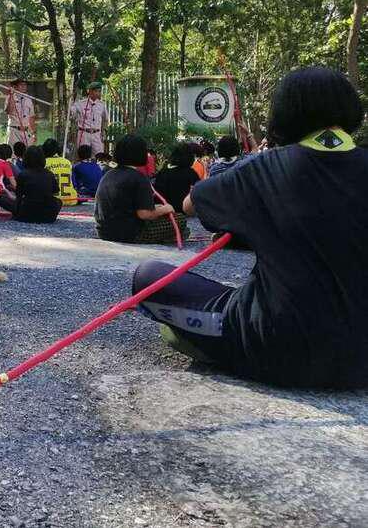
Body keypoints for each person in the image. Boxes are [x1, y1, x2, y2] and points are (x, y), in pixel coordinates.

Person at [133, 67, 368, 389]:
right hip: (362, 361)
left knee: (148, 276)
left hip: (278, 346)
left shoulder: (266, 167)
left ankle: (203, 340)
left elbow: (189, 205)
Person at [94, 134, 187, 244]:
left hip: (103, 232)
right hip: (131, 234)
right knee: (180, 219)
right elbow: (145, 214)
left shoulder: (108, 174)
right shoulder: (139, 178)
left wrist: (154, 208)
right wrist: (165, 209)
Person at [14, 145, 61, 223]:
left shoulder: (23, 174)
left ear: (26, 159)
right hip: (48, 216)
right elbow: (55, 191)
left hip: (26, 215)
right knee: (58, 201)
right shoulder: (50, 174)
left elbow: (18, 195)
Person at [153, 142, 201, 214]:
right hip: (187, 214)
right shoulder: (192, 174)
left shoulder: (163, 172)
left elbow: (157, 196)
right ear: (190, 157)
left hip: (168, 214)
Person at [71, 81, 109, 155]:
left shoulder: (102, 105)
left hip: (97, 134)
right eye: (96, 91)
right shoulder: (81, 103)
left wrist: (103, 132)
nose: (98, 93)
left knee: (99, 155)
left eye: (99, 91)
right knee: (83, 155)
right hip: (84, 134)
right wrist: (72, 102)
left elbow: (105, 119)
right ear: (90, 91)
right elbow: (71, 112)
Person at [42, 138, 78, 207]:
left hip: (52, 201)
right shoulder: (67, 162)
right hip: (71, 199)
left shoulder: (43, 163)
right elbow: (74, 183)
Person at [4, 78, 36, 146]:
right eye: (21, 85)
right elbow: (9, 111)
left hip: (26, 131)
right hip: (14, 130)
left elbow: (31, 117)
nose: (24, 87)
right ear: (15, 86)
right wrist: (11, 95)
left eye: (25, 85)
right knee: (13, 151)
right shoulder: (10, 97)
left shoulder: (29, 99)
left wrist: (33, 133)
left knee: (27, 151)